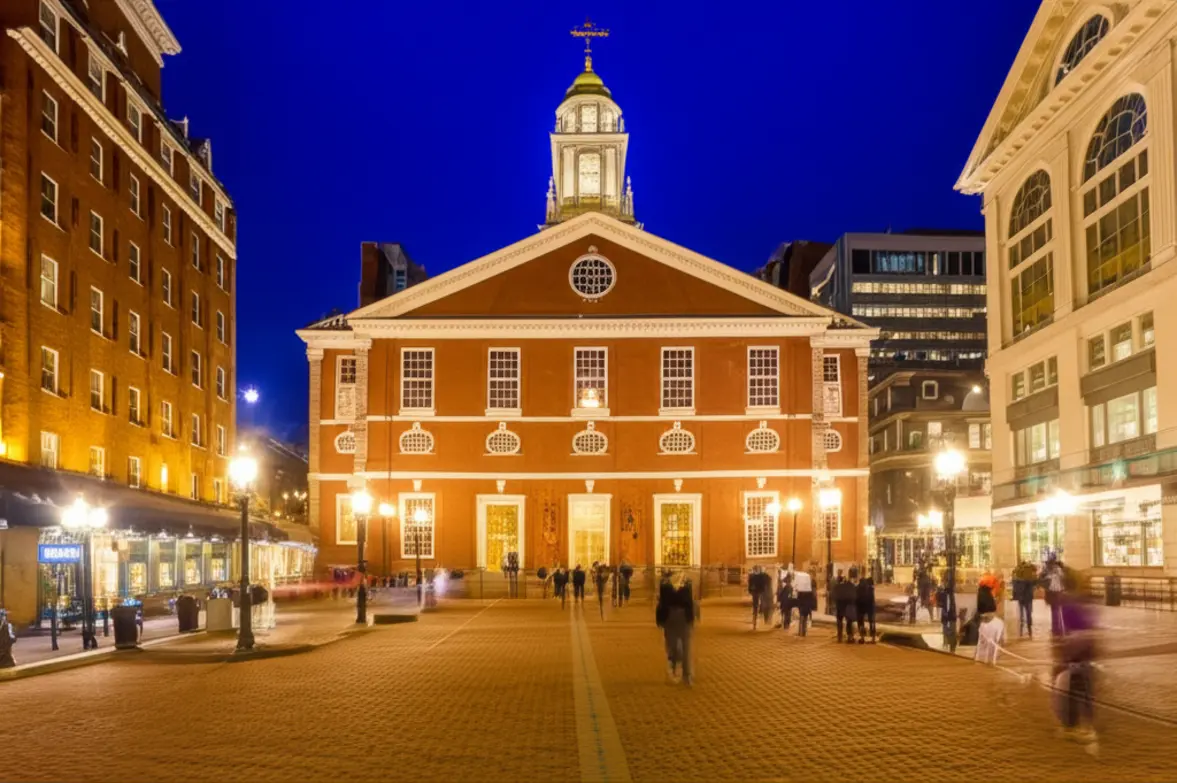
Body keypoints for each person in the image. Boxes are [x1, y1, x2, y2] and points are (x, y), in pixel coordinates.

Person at [655, 573, 696, 685]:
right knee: (673, 647)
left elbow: (690, 602)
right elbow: (662, 603)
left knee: (684, 647)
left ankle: (686, 675)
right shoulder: (665, 584)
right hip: (671, 617)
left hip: (681, 618)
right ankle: (673, 671)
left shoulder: (686, 583)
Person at [1012, 561, 1037, 639]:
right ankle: (1029, 629)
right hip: (1028, 597)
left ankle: (1021, 630)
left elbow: (1014, 587)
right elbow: (1035, 581)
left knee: (1021, 614)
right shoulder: (1030, 578)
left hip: (1021, 598)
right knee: (1028, 613)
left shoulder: (1016, 577)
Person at [834, 568, 858, 643]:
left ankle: (839, 637)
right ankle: (849, 637)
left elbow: (835, 596)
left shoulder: (838, 587)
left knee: (840, 622)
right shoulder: (851, 586)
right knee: (849, 622)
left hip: (839, 607)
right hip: (847, 607)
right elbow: (854, 597)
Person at [856, 568, 876, 643]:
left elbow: (856, 597)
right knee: (872, 622)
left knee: (861, 622)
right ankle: (873, 638)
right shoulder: (870, 588)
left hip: (860, 607)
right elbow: (872, 598)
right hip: (870, 606)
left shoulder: (858, 587)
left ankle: (862, 637)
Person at [794, 565, 815, 637]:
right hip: (806, 606)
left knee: (802, 619)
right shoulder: (809, 589)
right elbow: (811, 598)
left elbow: (798, 598)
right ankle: (804, 632)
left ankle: (801, 632)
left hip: (802, 606)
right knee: (805, 619)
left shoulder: (801, 589)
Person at [749, 566, 770, 630]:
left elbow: (750, 586)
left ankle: (755, 621)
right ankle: (758, 620)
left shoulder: (752, 577)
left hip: (756, 593)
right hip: (759, 593)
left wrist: (751, 591)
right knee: (760, 606)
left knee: (755, 607)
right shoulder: (762, 576)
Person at [777, 566, 794, 631]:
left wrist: (779, 600)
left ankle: (785, 625)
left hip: (785, 602)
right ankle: (786, 625)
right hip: (788, 602)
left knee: (785, 613)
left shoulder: (786, 587)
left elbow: (781, 595)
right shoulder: (790, 587)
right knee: (787, 614)